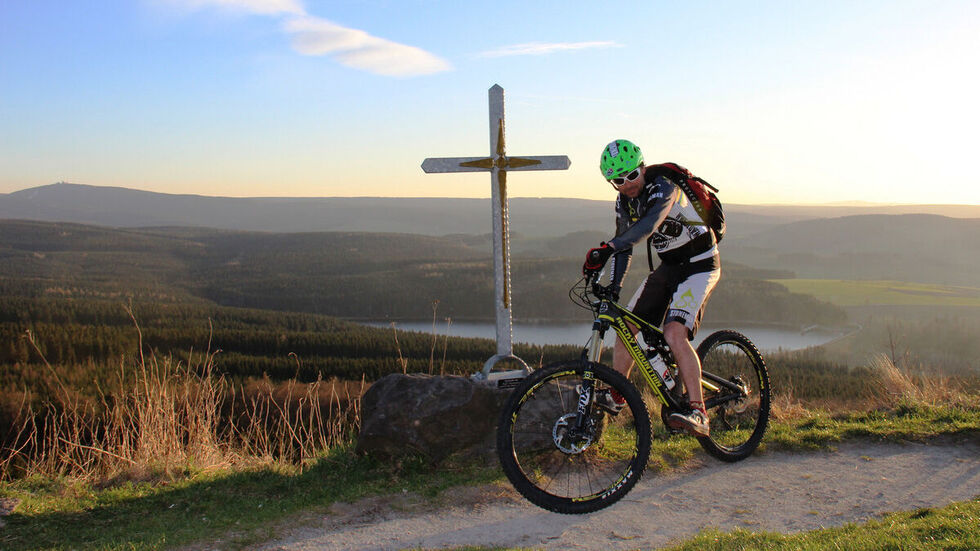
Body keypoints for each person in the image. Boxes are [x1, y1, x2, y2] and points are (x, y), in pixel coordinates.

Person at [581, 139, 721, 437]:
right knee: (625, 325)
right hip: (670, 267)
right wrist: (613, 287)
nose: (627, 184)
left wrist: (609, 246)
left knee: (673, 333)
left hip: (700, 263)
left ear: (642, 167)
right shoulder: (623, 202)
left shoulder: (664, 186)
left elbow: (648, 226)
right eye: (618, 180)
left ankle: (699, 411)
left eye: (632, 175)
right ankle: (619, 394)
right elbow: (625, 245)